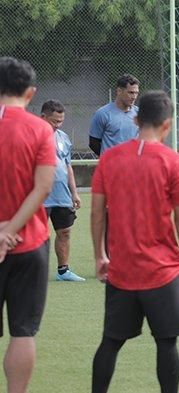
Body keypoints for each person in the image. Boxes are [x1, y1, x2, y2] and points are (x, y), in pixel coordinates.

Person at [90, 91, 179, 393]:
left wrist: (100, 256)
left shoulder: (109, 159)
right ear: (168, 125)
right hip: (163, 272)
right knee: (166, 343)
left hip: (122, 271)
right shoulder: (174, 162)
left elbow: (97, 212)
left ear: (136, 120)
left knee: (110, 342)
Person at [0, 56, 56, 393]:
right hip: (30, 241)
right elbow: (44, 186)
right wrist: (8, 231)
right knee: (23, 331)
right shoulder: (40, 129)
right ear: (31, 93)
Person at [40, 100, 85, 282]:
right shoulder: (32, 135)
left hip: (62, 194)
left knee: (65, 232)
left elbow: (68, 167)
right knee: (38, 236)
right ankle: (36, 272)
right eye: (54, 121)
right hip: (39, 195)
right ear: (43, 117)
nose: (58, 125)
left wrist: (74, 192)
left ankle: (63, 271)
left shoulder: (63, 137)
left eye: (60, 121)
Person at [89, 74, 140, 156]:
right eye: (131, 92)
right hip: (111, 166)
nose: (134, 97)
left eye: (136, 93)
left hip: (133, 166)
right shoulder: (102, 114)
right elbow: (93, 143)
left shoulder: (139, 113)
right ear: (119, 91)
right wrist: (109, 158)